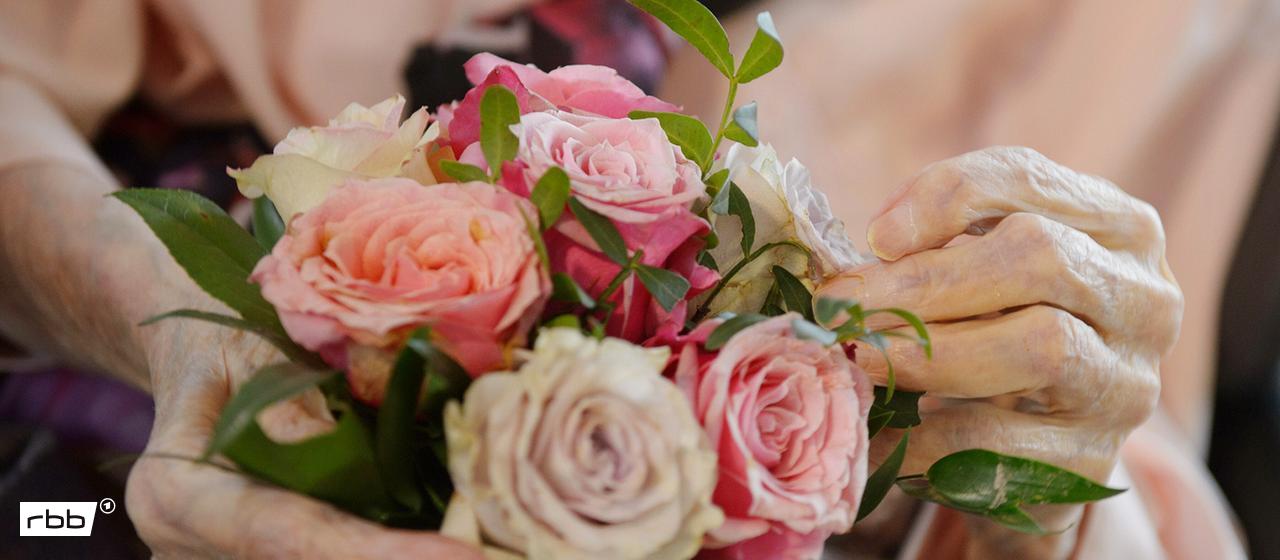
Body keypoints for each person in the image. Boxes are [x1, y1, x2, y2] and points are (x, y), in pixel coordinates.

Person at [0, 0, 1267, 557]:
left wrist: (1028, 507)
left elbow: (1103, 443)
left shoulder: (1178, 30)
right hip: (112, 463)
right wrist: (161, 322)